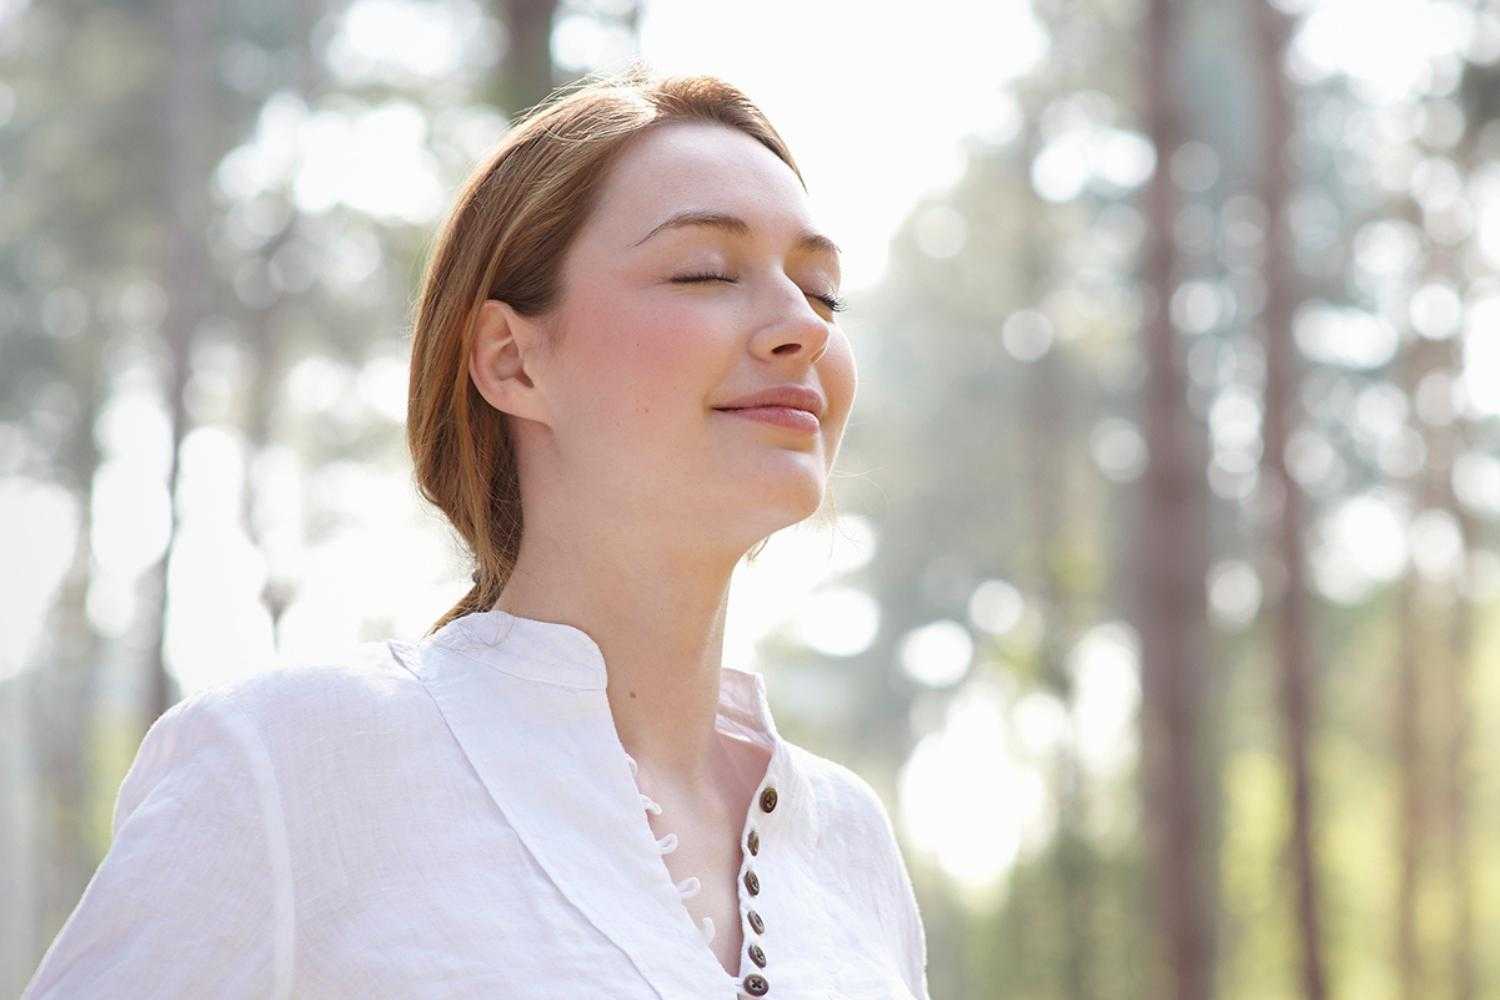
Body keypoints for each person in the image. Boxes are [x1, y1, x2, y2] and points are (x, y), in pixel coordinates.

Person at [23, 63, 930, 1000]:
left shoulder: (848, 845)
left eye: (823, 293)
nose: (802, 328)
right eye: (705, 271)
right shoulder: (290, 767)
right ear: (512, 359)